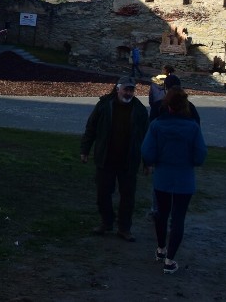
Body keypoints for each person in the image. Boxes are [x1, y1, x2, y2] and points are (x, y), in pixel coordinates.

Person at [142, 87, 207, 274]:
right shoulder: (193, 127)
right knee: (178, 218)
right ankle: (170, 259)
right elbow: (200, 155)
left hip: (163, 176)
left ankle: (161, 248)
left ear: (168, 105)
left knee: (161, 213)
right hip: (184, 178)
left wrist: (154, 161)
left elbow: (147, 151)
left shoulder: (157, 125)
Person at [80, 76, 150, 242]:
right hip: (106, 157)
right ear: (117, 89)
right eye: (126, 89)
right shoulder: (105, 105)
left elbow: (146, 137)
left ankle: (124, 228)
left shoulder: (139, 110)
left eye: (131, 90)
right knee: (103, 193)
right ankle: (106, 222)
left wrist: (148, 162)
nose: (128, 93)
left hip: (128, 160)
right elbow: (91, 128)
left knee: (128, 196)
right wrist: (85, 150)